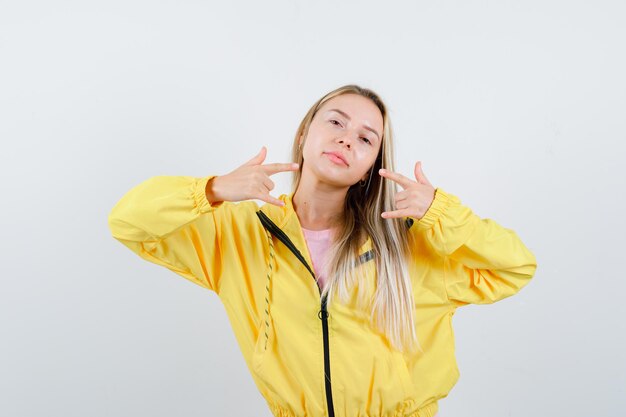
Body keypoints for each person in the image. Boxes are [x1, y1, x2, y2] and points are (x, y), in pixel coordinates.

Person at [108, 84, 538, 417]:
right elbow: (128, 221)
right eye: (336, 122)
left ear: (371, 166)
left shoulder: (410, 242)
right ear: (304, 132)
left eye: (366, 139)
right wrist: (213, 189)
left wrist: (442, 211)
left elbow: (516, 266)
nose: (348, 139)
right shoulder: (238, 236)